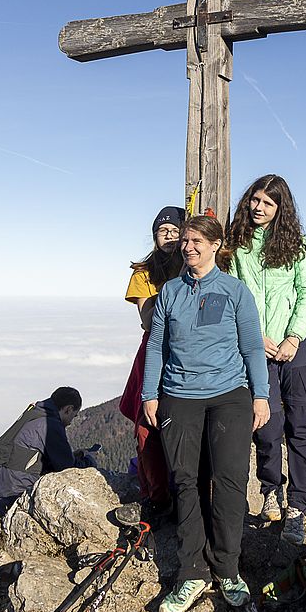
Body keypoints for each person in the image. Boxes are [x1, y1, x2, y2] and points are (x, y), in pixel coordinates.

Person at [141, 214, 271, 612]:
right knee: (186, 483)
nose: (189, 247)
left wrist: (261, 395)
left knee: (230, 482)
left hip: (229, 395)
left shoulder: (235, 291)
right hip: (179, 395)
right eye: (186, 241)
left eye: (198, 240)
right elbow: (157, 347)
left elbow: (251, 347)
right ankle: (192, 572)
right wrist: (150, 394)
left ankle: (228, 569)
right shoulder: (170, 293)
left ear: (216, 246)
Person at [226, 174, 306, 544]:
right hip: (257, 348)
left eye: (267, 202)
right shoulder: (239, 245)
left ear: (281, 208)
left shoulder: (296, 245)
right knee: (265, 427)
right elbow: (234, 295)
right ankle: (270, 491)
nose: (258, 207)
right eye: (255, 200)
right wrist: (253, 336)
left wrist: (294, 337)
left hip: (296, 350)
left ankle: (297, 508)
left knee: (299, 428)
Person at [117, 205, 185, 517]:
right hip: (155, 350)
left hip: (189, 351)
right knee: (148, 425)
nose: (169, 235)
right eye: (163, 231)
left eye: (175, 229)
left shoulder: (196, 264)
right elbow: (147, 320)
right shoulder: (144, 273)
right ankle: (157, 497)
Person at [0, 386, 94, 515]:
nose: (71, 422)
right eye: (74, 415)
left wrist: (74, 455)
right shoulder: (49, 425)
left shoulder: (36, 412)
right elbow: (67, 468)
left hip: (3, 490)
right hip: (16, 495)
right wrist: (88, 461)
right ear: (69, 409)